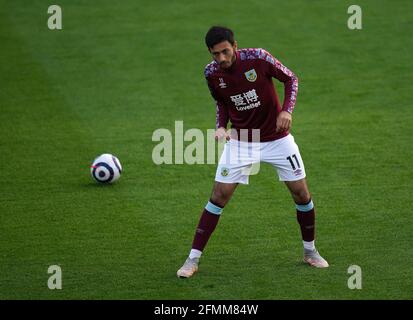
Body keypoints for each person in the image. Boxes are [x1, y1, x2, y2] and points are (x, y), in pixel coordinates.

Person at [177, 26, 328, 278]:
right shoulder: (211, 73)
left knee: (301, 194)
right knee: (218, 196)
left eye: (226, 52)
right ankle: (192, 260)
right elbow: (222, 102)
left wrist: (287, 111)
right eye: (216, 54)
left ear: (235, 45)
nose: (222, 59)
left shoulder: (258, 58)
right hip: (242, 141)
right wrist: (219, 127)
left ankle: (310, 251)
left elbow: (291, 78)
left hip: (278, 140)